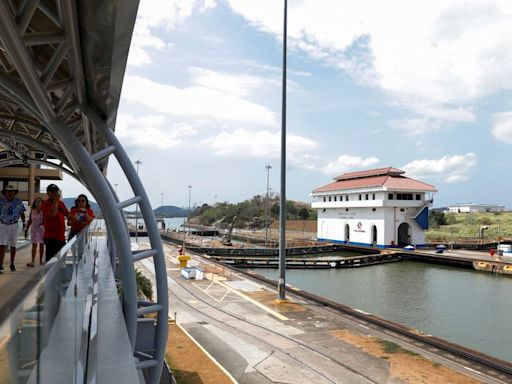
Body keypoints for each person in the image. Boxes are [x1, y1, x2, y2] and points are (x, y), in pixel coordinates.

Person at [0, 184, 26, 272]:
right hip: (3, 224)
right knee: (2, 245)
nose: (10, 193)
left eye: (12, 191)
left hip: (14, 225)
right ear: (5, 193)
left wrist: (24, 223)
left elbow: (22, 212)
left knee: (13, 245)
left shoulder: (18, 201)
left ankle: (12, 263)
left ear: (14, 193)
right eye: (8, 191)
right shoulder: (1, 201)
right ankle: (0, 265)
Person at [41, 184, 69, 262]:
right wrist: (56, 202)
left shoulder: (61, 203)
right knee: (51, 260)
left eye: (56, 191)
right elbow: (52, 214)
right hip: (51, 238)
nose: (55, 193)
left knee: (61, 261)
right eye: (52, 192)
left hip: (61, 237)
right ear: (48, 193)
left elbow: (68, 214)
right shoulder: (45, 204)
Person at [25, 197, 45, 266]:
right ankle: (32, 261)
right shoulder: (32, 210)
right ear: (35, 203)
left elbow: (47, 219)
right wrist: (26, 229)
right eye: (36, 201)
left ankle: (41, 261)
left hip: (42, 229)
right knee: (34, 245)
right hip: (34, 229)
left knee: (42, 245)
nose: (38, 203)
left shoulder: (44, 210)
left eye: (39, 201)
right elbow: (30, 221)